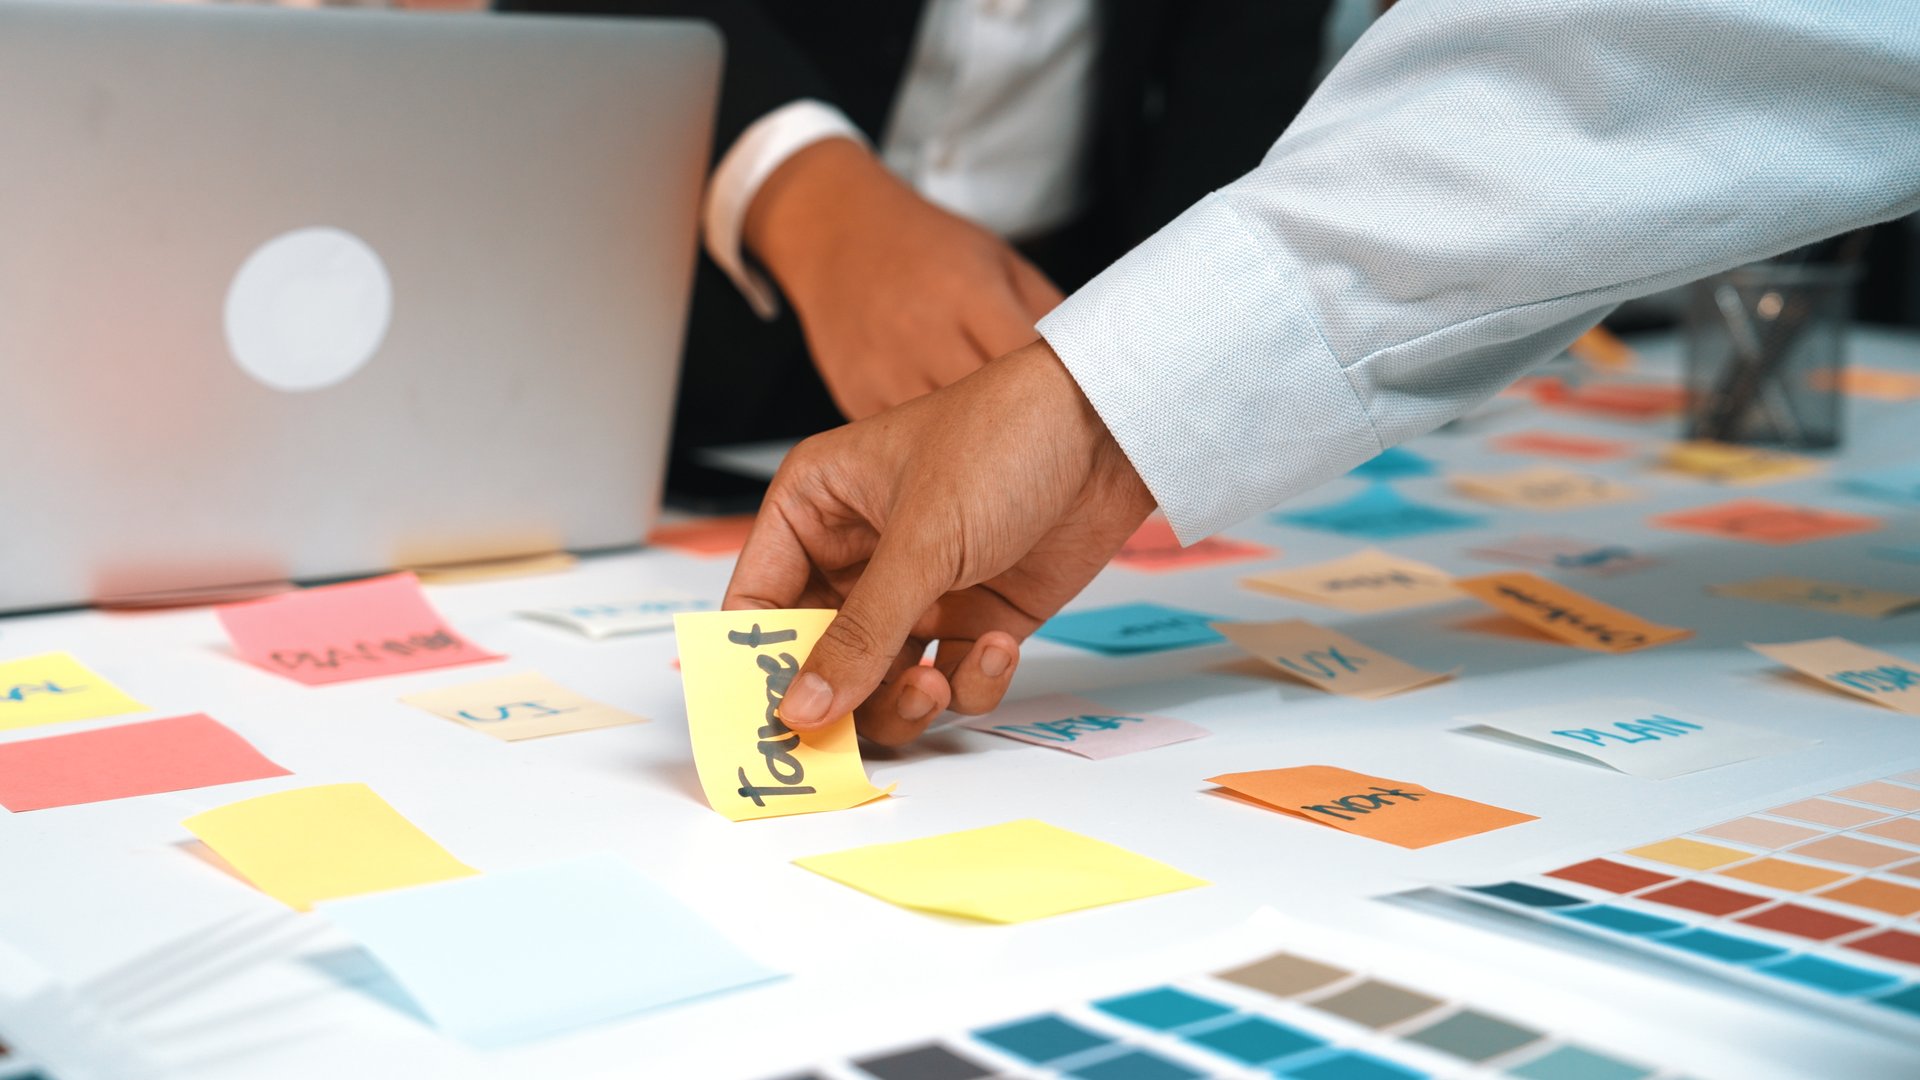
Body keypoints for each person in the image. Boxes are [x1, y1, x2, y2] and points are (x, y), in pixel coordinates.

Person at [722, 0, 1920, 745]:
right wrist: (1096, 402)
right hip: (729, 350)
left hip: (1092, 323)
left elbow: (1639, 76)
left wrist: (1100, 398)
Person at [499, 0, 1334, 502]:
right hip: (674, 327)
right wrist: (807, 193)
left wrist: (1175, 336)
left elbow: (1246, 67)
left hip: (1073, 336)